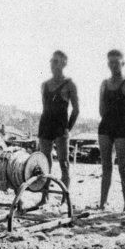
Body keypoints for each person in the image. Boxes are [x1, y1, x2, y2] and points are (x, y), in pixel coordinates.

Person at [97, 49, 125, 210]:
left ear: (123, 63)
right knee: (106, 167)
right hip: (105, 127)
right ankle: (102, 203)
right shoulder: (104, 84)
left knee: (123, 168)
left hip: (123, 129)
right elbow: (101, 110)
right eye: (110, 62)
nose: (113, 65)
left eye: (116, 62)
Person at [36, 50, 80, 191]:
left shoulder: (69, 85)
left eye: (56, 61)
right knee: (44, 163)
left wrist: (68, 128)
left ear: (63, 64)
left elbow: (76, 110)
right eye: (51, 61)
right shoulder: (45, 85)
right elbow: (45, 106)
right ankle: (45, 195)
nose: (52, 64)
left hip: (61, 127)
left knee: (64, 163)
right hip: (46, 125)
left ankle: (64, 196)